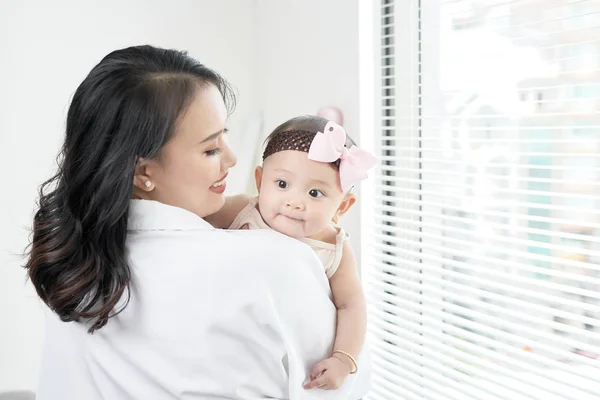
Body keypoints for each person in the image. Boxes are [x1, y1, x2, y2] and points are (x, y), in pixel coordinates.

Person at [25, 45, 370, 399]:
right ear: (145, 171)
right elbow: (336, 390)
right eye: (211, 149)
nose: (232, 159)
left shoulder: (70, 254)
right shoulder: (276, 261)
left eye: (225, 136)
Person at [206, 115, 376, 390]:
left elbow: (352, 305)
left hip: (295, 358)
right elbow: (185, 222)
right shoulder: (241, 211)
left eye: (315, 193)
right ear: (260, 182)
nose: (295, 202)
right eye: (282, 185)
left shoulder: (335, 248)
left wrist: (343, 360)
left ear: (342, 207)